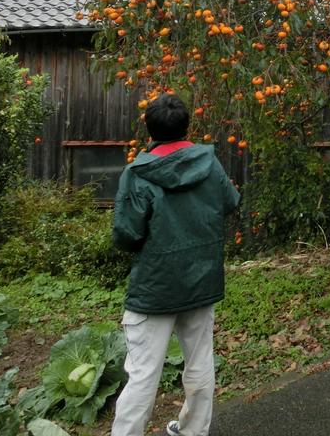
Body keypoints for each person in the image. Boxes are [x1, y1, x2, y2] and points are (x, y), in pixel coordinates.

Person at [111, 94, 240, 436]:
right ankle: (193, 431)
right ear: (187, 126)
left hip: (155, 286)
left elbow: (126, 234)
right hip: (201, 279)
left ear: (149, 129)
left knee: (142, 374)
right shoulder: (209, 164)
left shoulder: (138, 172)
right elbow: (229, 202)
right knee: (199, 362)